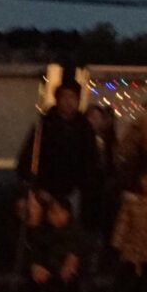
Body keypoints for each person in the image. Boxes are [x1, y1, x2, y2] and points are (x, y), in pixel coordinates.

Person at [16, 80, 100, 211]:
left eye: (72, 97)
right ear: (57, 99)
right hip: (44, 189)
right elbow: (29, 155)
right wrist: (36, 186)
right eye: (65, 96)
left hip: (73, 191)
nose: (68, 101)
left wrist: (85, 185)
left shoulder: (84, 128)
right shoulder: (44, 124)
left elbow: (91, 160)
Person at [25, 193, 86, 292]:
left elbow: (78, 251)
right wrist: (37, 266)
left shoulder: (74, 231)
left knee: (67, 283)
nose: (57, 216)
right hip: (49, 269)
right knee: (39, 283)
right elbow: (38, 251)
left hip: (68, 271)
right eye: (53, 212)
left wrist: (71, 263)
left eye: (61, 212)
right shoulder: (45, 232)